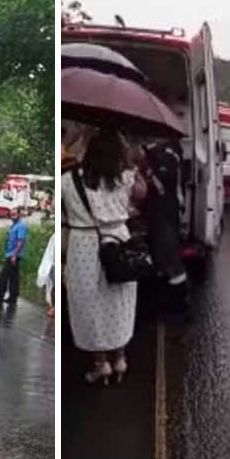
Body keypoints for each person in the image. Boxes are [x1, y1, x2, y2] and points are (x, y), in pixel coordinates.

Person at [62, 129, 140, 386]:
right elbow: (144, 194)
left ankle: (100, 364)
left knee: (89, 304)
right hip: (118, 243)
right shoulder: (127, 179)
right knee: (118, 301)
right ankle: (120, 358)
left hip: (83, 246)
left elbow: (62, 216)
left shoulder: (68, 180)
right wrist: (129, 163)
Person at [144, 139, 189, 320]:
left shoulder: (167, 155)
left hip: (164, 210)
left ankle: (178, 303)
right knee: (165, 253)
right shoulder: (172, 152)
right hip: (166, 209)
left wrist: (150, 175)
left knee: (168, 253)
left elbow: (163, 184)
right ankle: (173, 300)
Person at [0, 208, 28, 307]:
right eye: (11, 214)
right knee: (13, 277)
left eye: (14, 214)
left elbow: (20, 241)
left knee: (3, 275)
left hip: (14, 255)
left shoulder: (21, 226)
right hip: (10, 254)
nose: (12, 216)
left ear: (19, 215)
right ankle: (13, 297)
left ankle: (0, 297)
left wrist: (14, 255)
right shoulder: (14, 225)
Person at [37, 232, 56, 318]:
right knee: (54, 286)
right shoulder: (54, 236)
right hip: (54, 265)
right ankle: (53, 307)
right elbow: (50, 251)